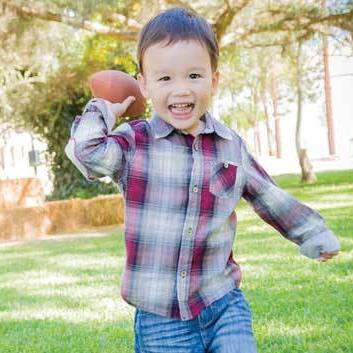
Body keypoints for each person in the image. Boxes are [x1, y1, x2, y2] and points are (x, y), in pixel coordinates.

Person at [65, 7, 340, 353]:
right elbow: (85, 151)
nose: (181, 90)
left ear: (214, 80)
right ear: (144, 84)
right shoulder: (134, 143)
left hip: (223, 302)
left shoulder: (229, 146)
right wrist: (104, 107)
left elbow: (268, 195)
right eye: (165, 79)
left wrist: (312, 232)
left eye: (194, 76)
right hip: (160, 319)